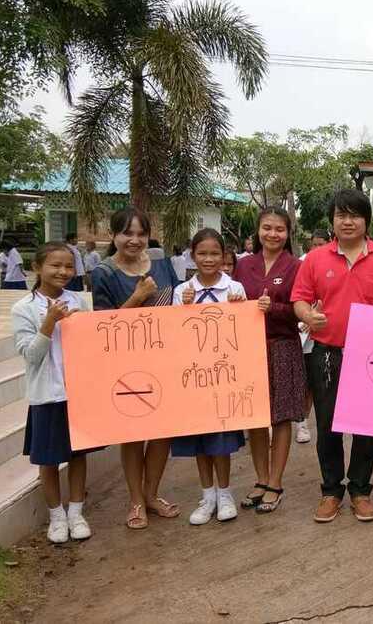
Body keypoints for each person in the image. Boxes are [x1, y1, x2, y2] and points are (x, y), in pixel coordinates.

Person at [291, 189, 373, 524]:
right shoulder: (315, 259)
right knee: (327, 426)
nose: (348, 221)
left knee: (366, 428)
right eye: (341, 215)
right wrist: (308, 315)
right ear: (332, 221)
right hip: (326, 354)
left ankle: (360, 490)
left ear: (366, 220)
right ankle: (330, 491)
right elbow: (300, 298)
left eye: (355, 215)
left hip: (371, 358)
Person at [91, 207, 180, 529]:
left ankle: (152, 494)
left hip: (165, 360)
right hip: (125, 366)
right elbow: (102, 325)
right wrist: (138, 297)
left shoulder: (162, 263)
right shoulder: (103, 273)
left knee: (163, 433)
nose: (135, 240)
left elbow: (178, 305)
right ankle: (136, 501)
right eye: (127, 233)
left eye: (141, 234)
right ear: (113, 235)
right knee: (132, 434)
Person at [12, 242, 92, 543]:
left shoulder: (77, 301)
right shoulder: (23, 308)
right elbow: (31, 356)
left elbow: (89, 347)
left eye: (69, 266)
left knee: (78, 456)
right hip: (47, 395)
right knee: (48, 459)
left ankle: (76, 512)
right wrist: (49, 322)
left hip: (76, 393)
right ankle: (56, 516)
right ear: (37, 267)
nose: (63, 272)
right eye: (55, 265)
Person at [173, 229, 248, 525]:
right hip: (193, 379)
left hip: (224, 378)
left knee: (221, 441)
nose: (208, 259)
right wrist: (185, 309)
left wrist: (240, 308)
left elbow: (243, 330)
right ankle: (207, 496)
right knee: (199, 440)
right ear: (192, 255)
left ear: (224, 256)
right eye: (202, 254)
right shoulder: (182, 291)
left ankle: (225, 493)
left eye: (215, 253)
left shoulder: (235, 288)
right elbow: (174, 334)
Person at [234, 207, 305, 514]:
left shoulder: (296, 267)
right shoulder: (243, 265)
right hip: (249, 349)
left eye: (279, 229)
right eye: (267, 228)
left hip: (283, 347)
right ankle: (261, 479)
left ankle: (275, 483)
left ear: (288, 234)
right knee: (256, 417)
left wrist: (273, 308)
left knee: (281, 417)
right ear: (258, 230)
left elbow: (300, 309)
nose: (272, 234)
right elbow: (232, 302)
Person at [294, 229, 330, 445]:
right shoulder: (302, 263)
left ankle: (303, 422)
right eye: (314, 244)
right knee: (300, 381)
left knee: (312, 384)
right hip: (301, 331)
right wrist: (305, 318)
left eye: (321, 244)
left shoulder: (336, 262)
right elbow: (297, 297)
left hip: (322, 335)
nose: (317, 248)